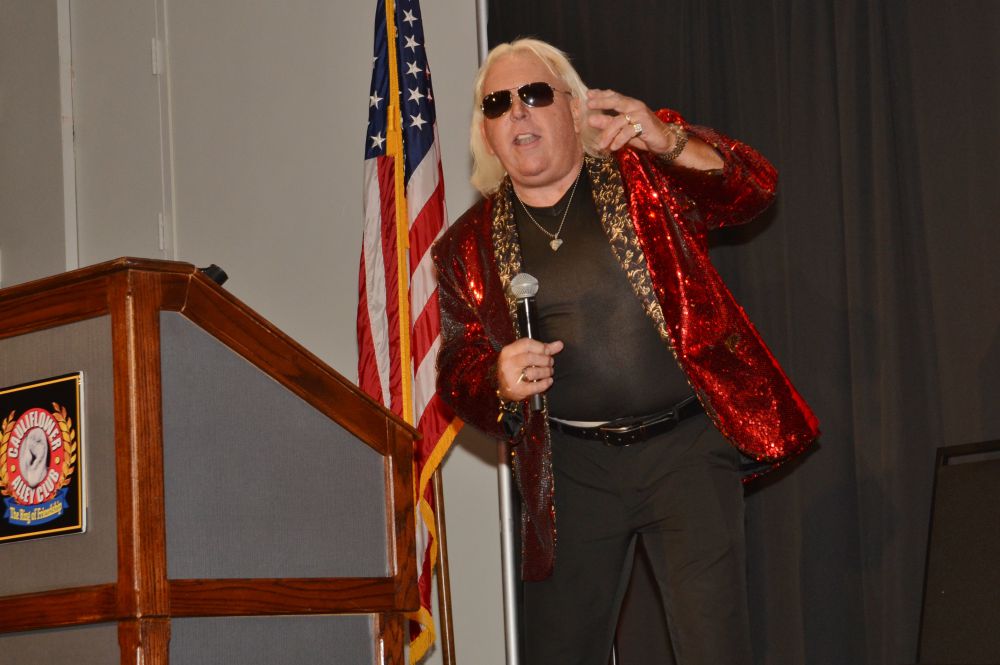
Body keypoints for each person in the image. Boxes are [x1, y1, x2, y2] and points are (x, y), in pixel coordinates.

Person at [433, 38, 819, 665]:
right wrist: (496, 379)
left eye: (534, 94)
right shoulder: (466, 246)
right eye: (498, 104)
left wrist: (667, 140)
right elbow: (457, 369)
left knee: (714, 645)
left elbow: (751, 191)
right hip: (569, 468)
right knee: (559, 651)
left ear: (574, 107)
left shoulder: (642, 177)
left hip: (686, 452)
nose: (518, 114)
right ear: (486, 131)